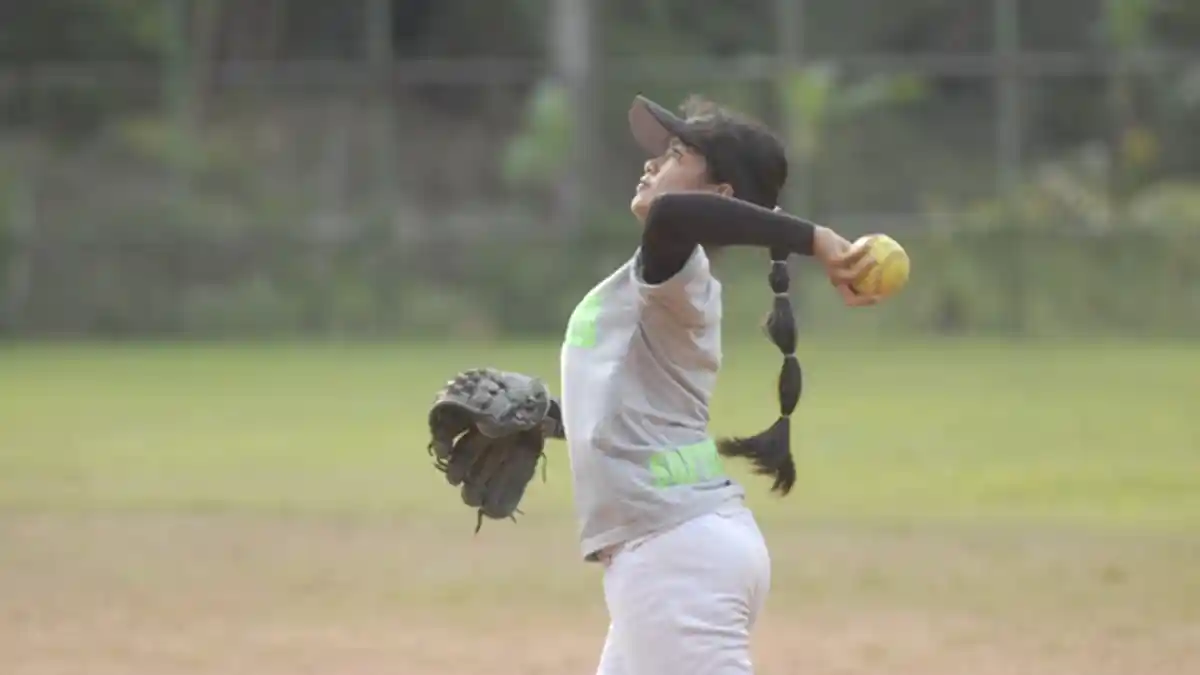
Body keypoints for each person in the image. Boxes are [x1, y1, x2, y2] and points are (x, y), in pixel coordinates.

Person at [558, 93, 881, 675]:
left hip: (675, 556)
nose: (652, 163)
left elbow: (672, 217)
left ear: (720, 197)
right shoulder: (653, 281)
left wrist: (812, 238)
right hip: (674, 550)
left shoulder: (677, 275)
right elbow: (629, 410)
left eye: (676, 153)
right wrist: (550, 420)